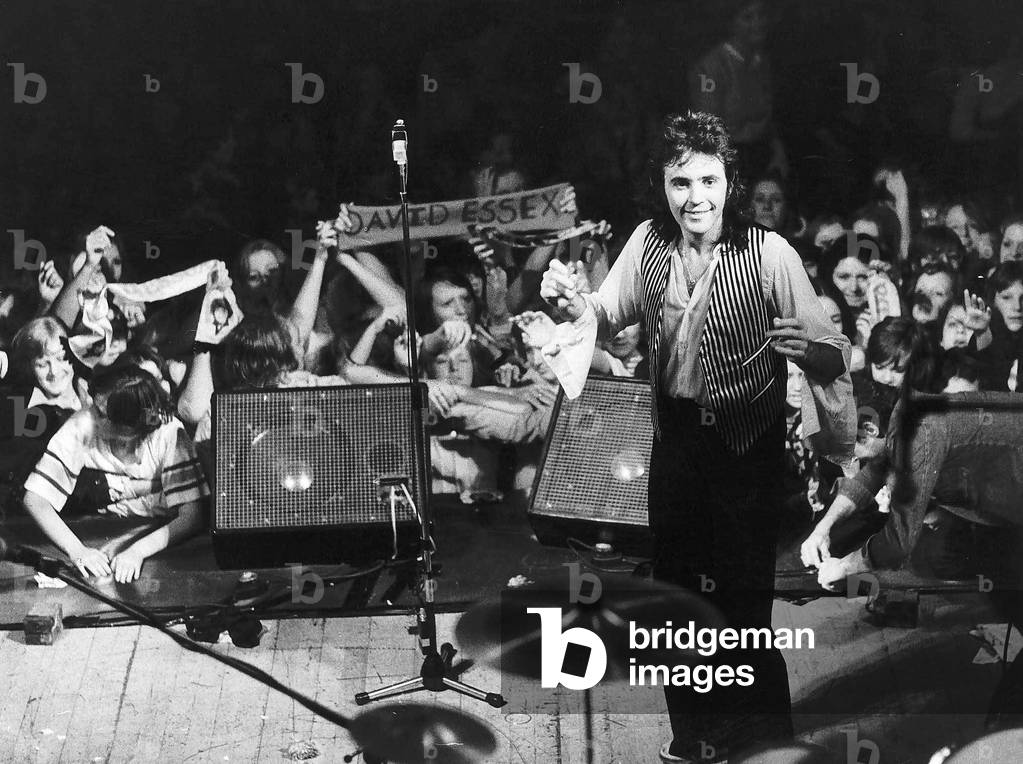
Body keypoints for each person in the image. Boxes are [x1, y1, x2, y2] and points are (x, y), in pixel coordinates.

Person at [533, 111, 855, 763]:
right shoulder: (648, 241)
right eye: (680, 183)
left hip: (745, 448)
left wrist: (811, 354)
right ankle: (693, 738)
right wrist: (572, 302)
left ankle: (760, 739)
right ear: (663, 184)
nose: (695, 197)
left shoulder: (770, 253)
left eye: (708, 180)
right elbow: (605, 310)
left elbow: (834, 350)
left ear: (730, 184)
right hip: (676, 443)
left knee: (741, 607)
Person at [21, 363, 208, 583]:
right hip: (99, 531)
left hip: (163, 543)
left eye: (101, 413)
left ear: (128, 427)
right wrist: (78, 551)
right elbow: (34, 499)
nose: (91, 414)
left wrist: (137, 551)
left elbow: (193, 516)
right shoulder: (83, 424)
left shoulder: (168, 433)